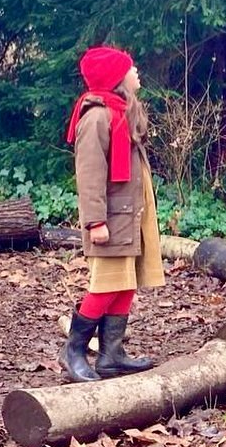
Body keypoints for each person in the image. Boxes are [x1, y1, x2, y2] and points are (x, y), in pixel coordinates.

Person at [61, 46, 165, 382]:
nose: (136, 71)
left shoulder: (122, 112)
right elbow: (90, 174)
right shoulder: (96, 118)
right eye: (130, 67)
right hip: (110, 218)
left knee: (125, 284)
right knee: (105, 286)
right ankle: (73, 350)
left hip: (129, 214)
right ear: (116, 79)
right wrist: (95, 222)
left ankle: (111, 353)